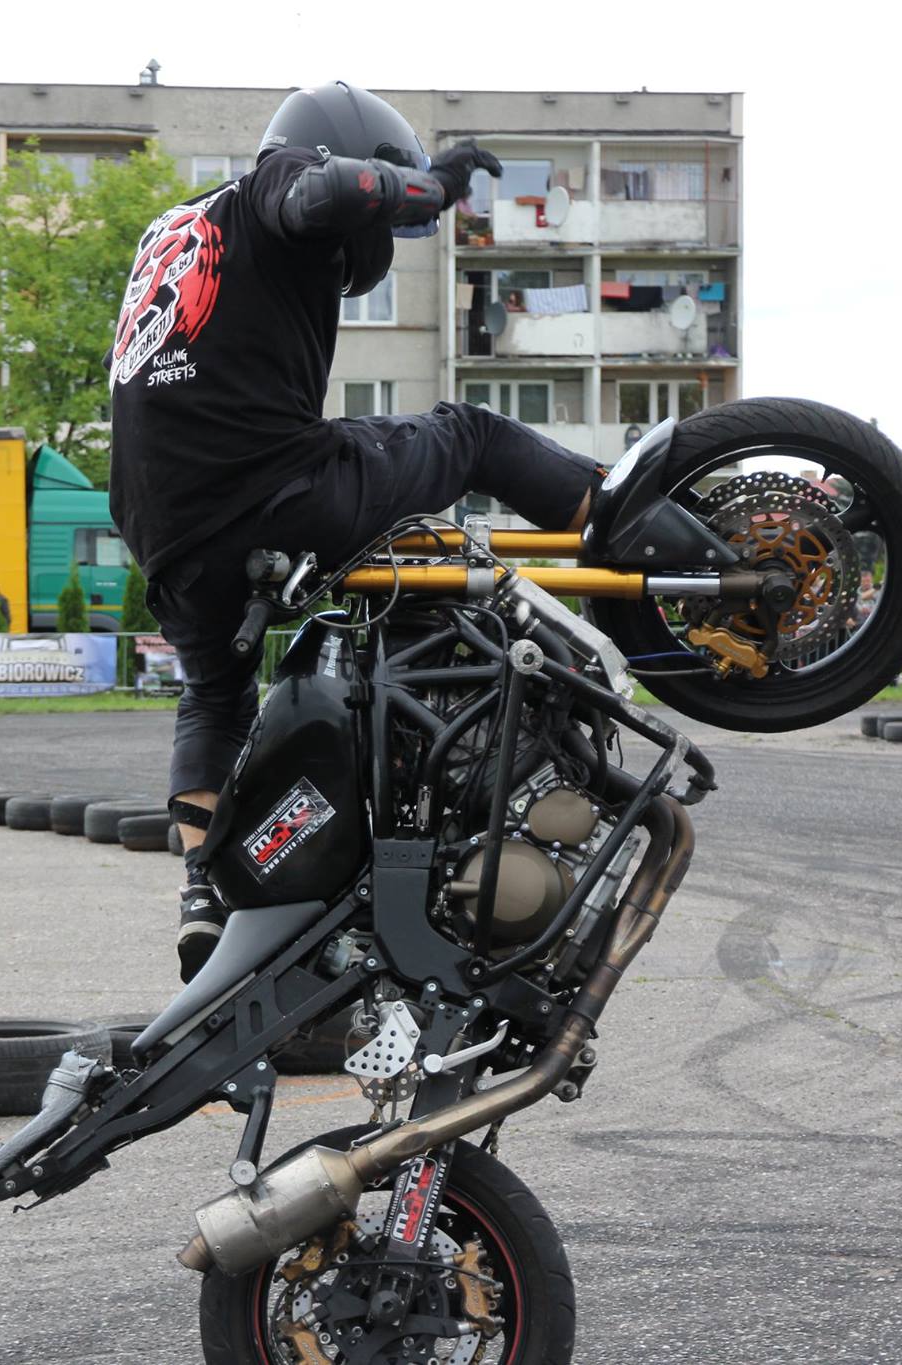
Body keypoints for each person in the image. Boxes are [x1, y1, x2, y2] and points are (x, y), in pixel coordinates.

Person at [107, 82, 600, 980]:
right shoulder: (276, 185)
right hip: (270, 487)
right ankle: (622, 521)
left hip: (164, 526)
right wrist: (433, 187)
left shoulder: (173, 228)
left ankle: (203, 893)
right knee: (472, 435)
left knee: (215, 695)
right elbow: (322, 193)